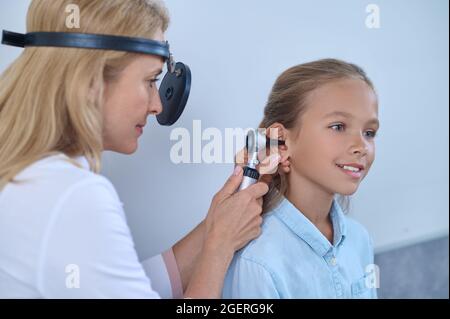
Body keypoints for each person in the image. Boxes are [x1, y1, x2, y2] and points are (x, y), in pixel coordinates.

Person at [0, 0, 286, 298]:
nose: (157, 105)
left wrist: (220, 224)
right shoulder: (74, 196)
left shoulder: (31, 175)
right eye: (150, 80)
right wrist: (218, 249)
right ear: (90, 80)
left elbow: (126, 281)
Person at [223, 59, 380, 298]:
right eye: (338, 126)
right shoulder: (258, 261)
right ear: (282, 141)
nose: (361, 146)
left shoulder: (360, 240)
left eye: (369, 132)